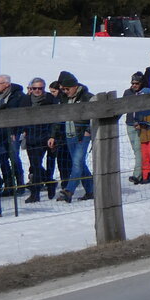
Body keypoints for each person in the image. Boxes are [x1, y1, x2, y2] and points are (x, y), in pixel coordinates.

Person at [48, 71, 93, 202]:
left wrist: (88, 130)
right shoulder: (63, 99)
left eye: (67, 89)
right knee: (79, 164)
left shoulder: (87, 97)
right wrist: (53, 136)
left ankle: (69, 191)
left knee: (77, 163)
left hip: (82, 135)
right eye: (62, 89)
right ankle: (91, 190)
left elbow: (95, 114)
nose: (65, 91)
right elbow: (59, 118)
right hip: (69, 135)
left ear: (74, 86)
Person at [0, 74, 26, 196]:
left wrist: (16, 131)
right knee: (2, 159)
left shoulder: (19, 96)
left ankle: (20, 184)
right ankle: (8, 186)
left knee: (14, 158)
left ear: (7, 85)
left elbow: (22, 115)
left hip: (13, 133)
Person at [21, 77, 56, 203]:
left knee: (36, 166)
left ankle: (35, 194)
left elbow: (55, 119)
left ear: (43, 88)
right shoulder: (26, 100)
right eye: (34, 88)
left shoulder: (50, 99)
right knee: (35, 165)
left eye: (40, 88)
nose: (37, 91)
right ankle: (50, 182)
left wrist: (52, 135)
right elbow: (20, 115)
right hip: (31, 136)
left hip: (44, 136)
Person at [123, 72, 147, 184]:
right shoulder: (128, 93)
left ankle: (138, 175)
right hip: (129, 124)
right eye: (132, 83)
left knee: (138, 150)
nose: (134, 85)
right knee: (135, 150)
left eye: (136, 83)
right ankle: (142, 170)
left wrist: (141, 121)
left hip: (139, 125)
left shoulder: (145, 92)